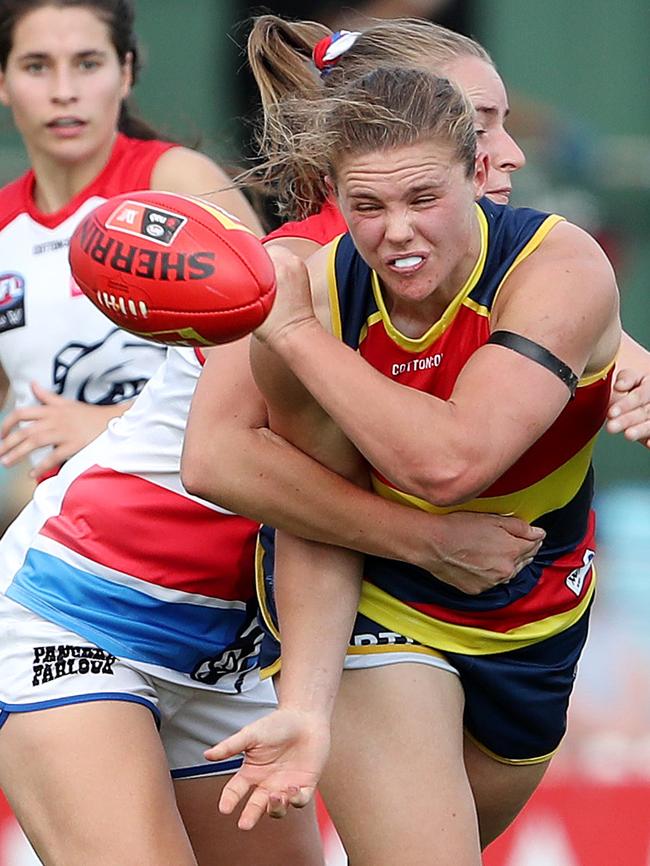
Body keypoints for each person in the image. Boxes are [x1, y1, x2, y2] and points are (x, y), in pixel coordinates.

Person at [186, 66, 622, 866]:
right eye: (367, 206)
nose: (396, 232)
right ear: (333, 196)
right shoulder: (309, 300)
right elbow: (316, 506)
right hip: (381, 603)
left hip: (537, 607)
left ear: (476, 172)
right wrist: (310, 707)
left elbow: (451, 463)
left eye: (424, 199)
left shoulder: (559, 268)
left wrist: (297, 337)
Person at [249, 16, 650, 441]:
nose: (513, 154)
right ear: (393, 125)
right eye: (477, 128)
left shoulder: (512, 248)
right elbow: (218, 454)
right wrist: (429, 512)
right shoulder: (297, 270)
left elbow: (609, 353)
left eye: (504, 123)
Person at [0, 0, 262, 482]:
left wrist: (109, 422)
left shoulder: (175, 180)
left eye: (88, 63)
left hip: (197, 503)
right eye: (37, 66)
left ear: (124, 73)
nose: (64, 92)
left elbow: (273, 350)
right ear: (2, 81)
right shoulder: (3, 228)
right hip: (65, 522)